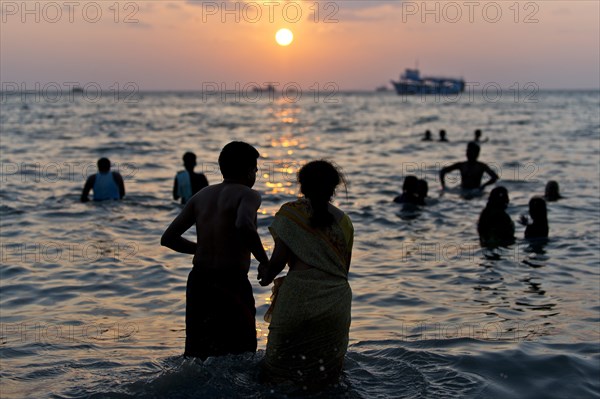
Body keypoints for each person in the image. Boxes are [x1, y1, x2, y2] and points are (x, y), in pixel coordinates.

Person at [161, 141, 269, 360]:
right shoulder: (249, 194)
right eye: (256, 169)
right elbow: (244, 225)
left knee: (198, 354)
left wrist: (202, 248)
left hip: (199, 282)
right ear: (249, 170)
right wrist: (264, 262)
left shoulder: (200, 196)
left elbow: (169, 238)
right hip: (231, 283)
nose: (256, 174)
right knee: (242, 352)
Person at [258, 160, 353, 390]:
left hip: (298, 300)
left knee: (276, 377)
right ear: (334, 187)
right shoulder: (345, 223)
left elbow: (277, 264)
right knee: (326, 381)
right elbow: (341, 271)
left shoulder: (291, 214)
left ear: (302, 186)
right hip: (336, 304)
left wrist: (265, 271)